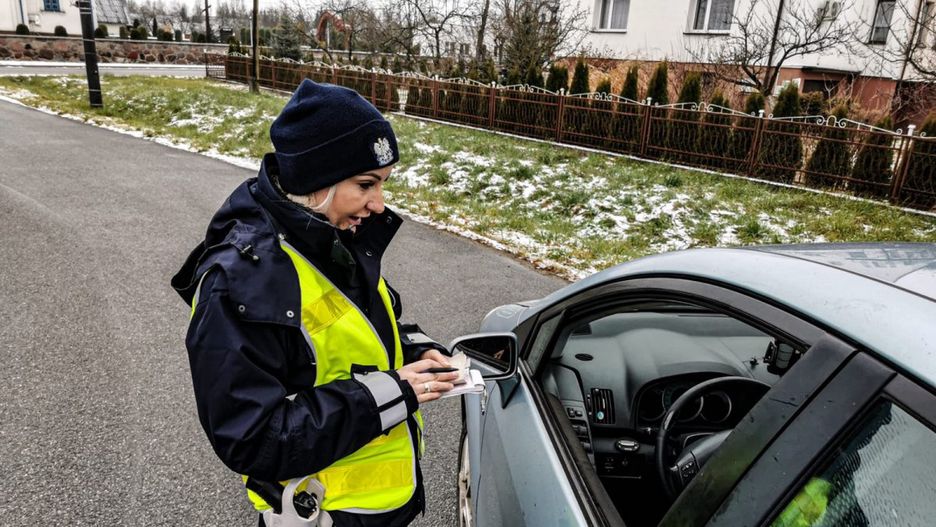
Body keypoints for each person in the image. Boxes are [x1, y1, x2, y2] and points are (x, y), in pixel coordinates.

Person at [171, 79, 458, 527]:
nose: (378, 204)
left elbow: (353, 330)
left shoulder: (333, 238)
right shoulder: (239, 280)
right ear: (316, 179)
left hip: (377, 510)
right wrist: (392, 393)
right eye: (365, 184)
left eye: (382, 184)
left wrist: (419, 351)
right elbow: (251, 437)